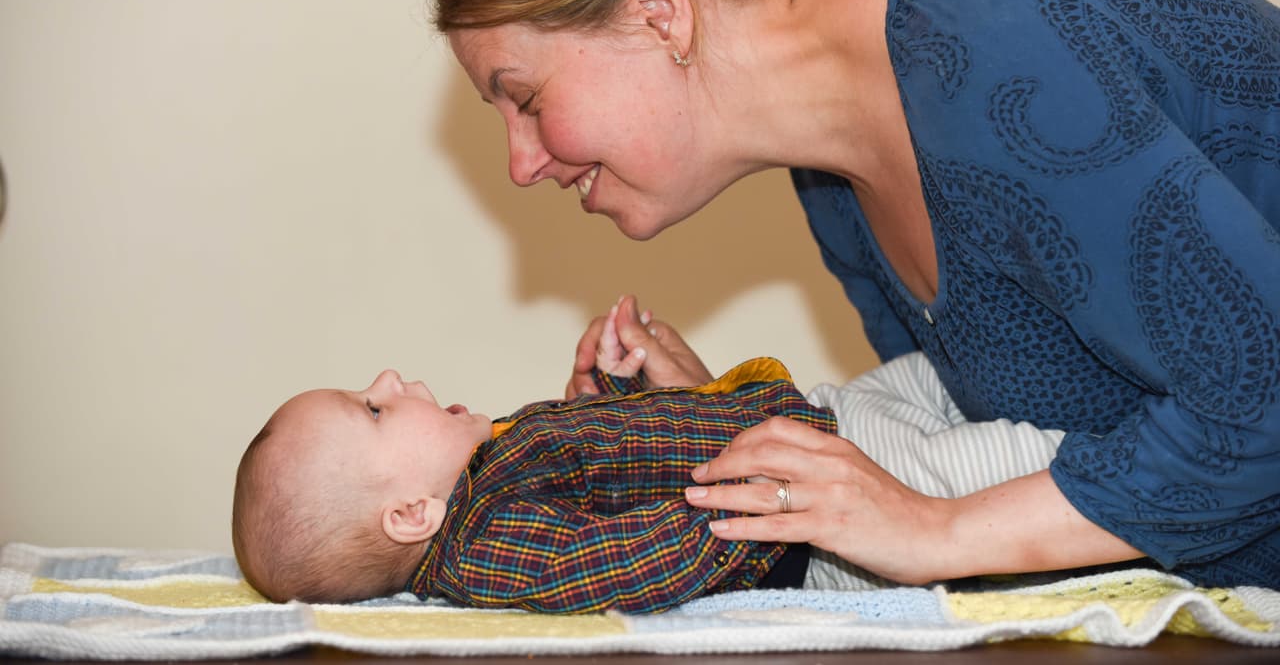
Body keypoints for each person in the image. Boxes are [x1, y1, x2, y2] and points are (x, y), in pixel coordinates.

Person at [433, 0, 1280, 589]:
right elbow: (986, 455)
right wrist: (725, 432)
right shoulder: (831, 179)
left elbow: (1261, 402)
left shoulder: (1002, 60)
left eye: (526, 99)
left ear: (659, 14)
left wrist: (936, 532)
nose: (520, 165)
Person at [230, 296, 1063, 609]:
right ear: (412, 513)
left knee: (961, 372)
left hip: (819, 418)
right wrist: (738, 511)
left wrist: (618, 389)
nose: (386, 378)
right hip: (835, 509)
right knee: (1032, 462)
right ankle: (1135, 466)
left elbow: (620, 465)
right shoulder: (484, 547)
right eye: (373, 408)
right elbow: (613, 563)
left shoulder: (491, 467)